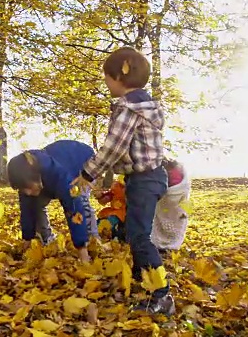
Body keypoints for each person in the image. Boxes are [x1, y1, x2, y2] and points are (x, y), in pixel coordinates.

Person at [72, 46, 175, 315]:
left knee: (139, 236)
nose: (106, 83)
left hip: (144, 179)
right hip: (149, 177)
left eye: (107, 77)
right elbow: (127, 151)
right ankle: (145, 283)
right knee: (134, 232)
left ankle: (162, 296)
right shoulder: (147, 106)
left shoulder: (129, 108)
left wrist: (87, 173)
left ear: (119, 76)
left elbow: (114, 148)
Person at [7, 140, 100, 262]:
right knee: (34, 204)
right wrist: (27, 238)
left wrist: (81, 249)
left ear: (35, 177)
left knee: (81, 201)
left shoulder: (58, 175)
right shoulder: (24, 176)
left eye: (28, 188)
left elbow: (74, 209)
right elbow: (27, 210)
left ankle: (92, 240)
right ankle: (47, 241)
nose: (27, 192)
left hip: (83, 163)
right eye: (23, 189)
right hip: (52, 173)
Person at [151, 158, 191, 253]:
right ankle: (172, 244)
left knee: (171, 218)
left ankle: (163, 243)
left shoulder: (171, 172)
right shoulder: (178, 171)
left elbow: (172, 186)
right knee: (175, 220)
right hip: (175, 200)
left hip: (174, 197)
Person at [95, 175, 127, 242]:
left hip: (122, 214)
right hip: (112, 211)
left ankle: (107, 237)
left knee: (110, 221)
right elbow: (106, 198)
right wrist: (100, 196)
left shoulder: (131, 188)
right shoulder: (116, 186)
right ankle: (96, 235)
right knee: (100, 221)